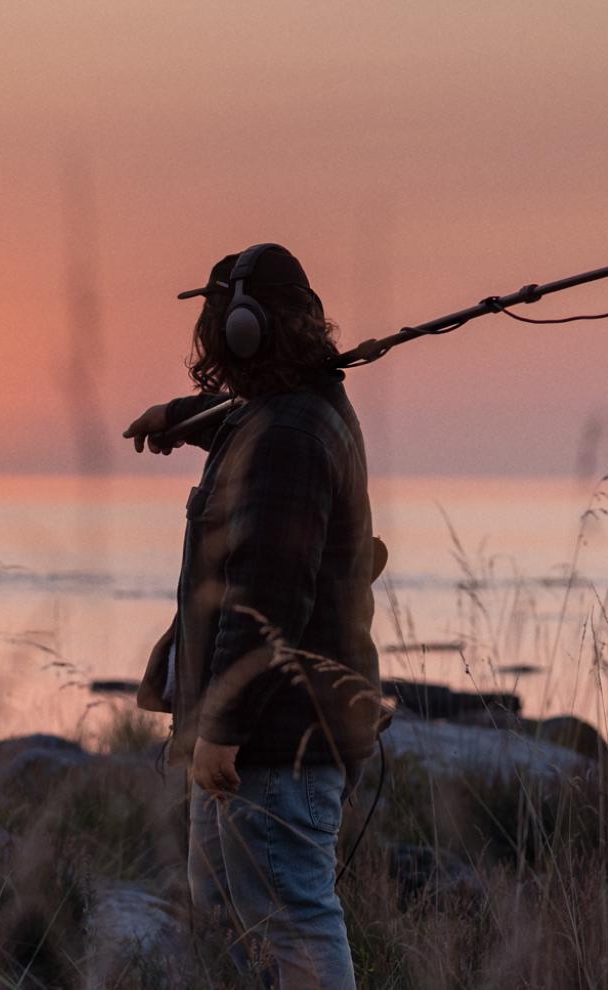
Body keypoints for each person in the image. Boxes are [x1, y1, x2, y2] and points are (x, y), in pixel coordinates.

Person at [123, 243, 383, 989]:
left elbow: (266, 596)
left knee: (292, 920)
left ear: (240, 332)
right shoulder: (289, 413)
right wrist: (180, 417)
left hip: (273, 739)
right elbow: (252, 421)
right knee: (230, 915)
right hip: (268, 731)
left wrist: (224, 731)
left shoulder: (290, 437)